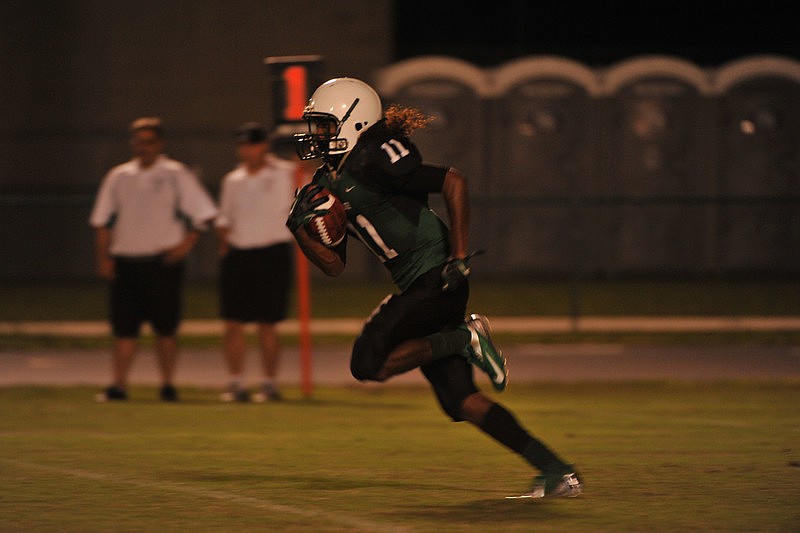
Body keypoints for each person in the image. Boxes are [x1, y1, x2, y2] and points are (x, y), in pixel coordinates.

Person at [286, 78, 582, 498]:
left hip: (437, 275)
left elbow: (453, 182)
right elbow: (333, 266)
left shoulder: (374, 155)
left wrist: (459, 257)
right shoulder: (328, 180)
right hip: (420, 285)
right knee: (461, 400)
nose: (318, 136)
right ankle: (557, 471)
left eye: (325, 126)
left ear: (353, 121)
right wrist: (300, 229)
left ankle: (465, 338)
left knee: (367, 362)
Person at [90, 117, 218, 402]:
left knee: (166, 327)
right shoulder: (119, 176)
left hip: (162, 263)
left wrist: (186, 245)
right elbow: (102, 221)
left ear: (159, 144)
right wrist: (104, 258)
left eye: (149, 141)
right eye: (139, 141)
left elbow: (203, 214)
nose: (143, 147)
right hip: (126, 262)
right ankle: (118, 385)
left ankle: (168, 384)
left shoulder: (175, 173)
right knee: (124, 329)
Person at [214, 122, 296, 402]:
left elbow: (309, 182)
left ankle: (269, 383)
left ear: (265, 145)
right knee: (233, 322)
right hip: (239, 254)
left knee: (267, 322)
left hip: (272, 253)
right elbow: (224, 217)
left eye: (252, 144)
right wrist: (224, 241)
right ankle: (237, 383)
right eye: (243, 145)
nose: (247, 151)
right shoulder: (233, 180)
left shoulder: (285, 173)